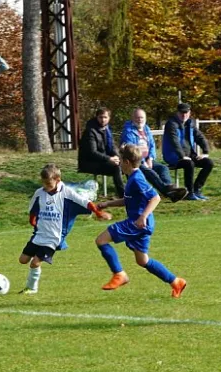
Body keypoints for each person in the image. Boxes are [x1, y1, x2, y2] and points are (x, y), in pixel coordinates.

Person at [95, 144, 187, 298]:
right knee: (142, 260)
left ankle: (119, 274)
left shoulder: (137, 178)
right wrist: (108, 204)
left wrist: (143, 216)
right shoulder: (132, 178)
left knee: (101, 240)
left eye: (121, 161)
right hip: (142, 224)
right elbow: (129, 199)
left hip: (137, 222)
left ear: (127, 162)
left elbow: (155, 197)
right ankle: (176, 281)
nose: (119, 164)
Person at [18, 163, 111, 294]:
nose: (45, 187)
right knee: (23, 260)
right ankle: (31, 286)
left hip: (54, 237)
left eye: (48, 185)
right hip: (39, 234)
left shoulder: (67, 193)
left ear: (58, 180)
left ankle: (32, 288)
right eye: (43, 184)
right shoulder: (39, 193)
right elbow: (33, 208)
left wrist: (98, 212)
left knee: (35, 263)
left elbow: (86, 202)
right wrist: (32, 219)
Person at [120, 108, 188, 202]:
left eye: (142, 118)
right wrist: (143, 161)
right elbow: (132, 150)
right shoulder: (128, 131)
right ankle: (168, 191)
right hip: (134, 162)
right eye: (137, 117)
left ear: (145, 118)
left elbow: (152, 145)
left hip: (147, 159)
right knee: (149, 172)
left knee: (163, 168)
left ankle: (169, 190)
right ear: (132, 118)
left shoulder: (146, 129)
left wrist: (150, 158)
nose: (140, 120)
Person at [162, 103, 214, 201]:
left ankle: (197, 189)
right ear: (177, 112)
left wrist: (205, 152)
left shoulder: (191, 123)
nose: (184, 115)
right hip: (173, 156)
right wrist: (182, 156)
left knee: (208, 163)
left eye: (186, 113)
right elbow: (174, 142)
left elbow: (200, 137)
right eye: (182, 113)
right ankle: (189, 193)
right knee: (189, 163)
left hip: (189, 155)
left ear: (189, 113)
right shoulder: (171, 124)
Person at [78, 107, 125, 198]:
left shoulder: (107, 129)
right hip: (89, 162)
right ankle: (123, 195)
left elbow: (112, 147)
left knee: (126, 163)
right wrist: (109, 159)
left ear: (109, 118)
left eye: (105, 117)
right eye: (100, 117)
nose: (103, 120)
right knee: (116, 167)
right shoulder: (90, 131)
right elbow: (92, 152)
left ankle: (133, 190)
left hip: (102, 160)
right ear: (96, 117)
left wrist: (118, 157)